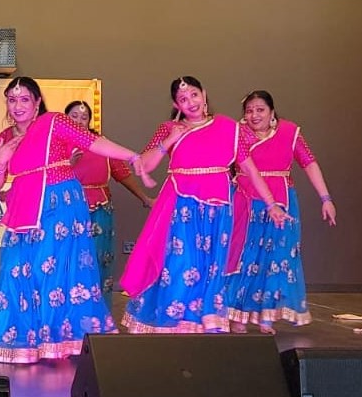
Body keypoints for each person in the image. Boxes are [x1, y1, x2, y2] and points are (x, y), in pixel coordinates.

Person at [0, 77, 144, 364]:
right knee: (19, 271)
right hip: (23, 207)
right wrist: (0, 161)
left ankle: (60, 341)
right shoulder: (3, 138)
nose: (18, 106)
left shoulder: (54, 122)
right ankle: (27, 343)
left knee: (55, 269)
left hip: (58, 203)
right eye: (12, 100)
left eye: (24, 99)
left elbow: (94, 142)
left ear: (37, 102)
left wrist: (132, 156)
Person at [120, 76, 289, 334]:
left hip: (218, 208)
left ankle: (203, 321)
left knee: (211, 266)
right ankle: (175, 322)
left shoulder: (228, 127)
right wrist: (170, 140)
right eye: (183, 99)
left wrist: (271, 204)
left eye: (194, 95)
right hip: (181, 207)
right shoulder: (169, 128)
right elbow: (144, 165)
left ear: (204, 94)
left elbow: (251, 171)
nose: (191, 102)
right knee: (181, 263)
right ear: (176, 105)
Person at [225, 90, 336, 333]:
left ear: (272, 112)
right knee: (244, 257)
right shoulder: (237, 134)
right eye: (249, 111)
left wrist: (325, 198)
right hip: (246, 202)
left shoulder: (289, 132)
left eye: (260, 110)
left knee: (277, 257)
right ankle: (237, 316)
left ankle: (266, 317)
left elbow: (309, 163)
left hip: (283, 202)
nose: (254, 115)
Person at [64, 101, 154, 304]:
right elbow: (47, 177)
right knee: (69, 259)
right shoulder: (56, 145)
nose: (79, 121)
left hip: (100, 209)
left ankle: (96, 308)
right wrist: (68, 165)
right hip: (68, 209)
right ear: (65, 119)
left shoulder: (101, 144)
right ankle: (68, 310)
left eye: (84, 117)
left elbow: (122, 174)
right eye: (74, 116)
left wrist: (145, 198)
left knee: (97, 258)